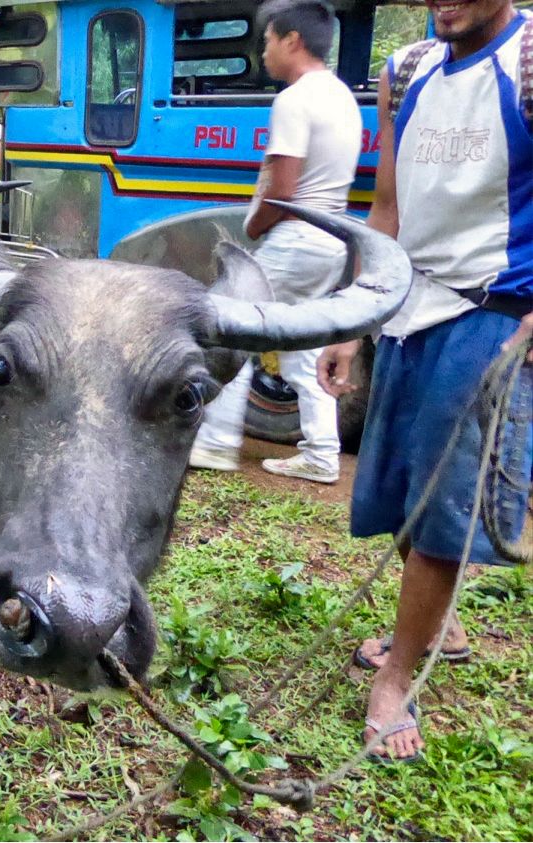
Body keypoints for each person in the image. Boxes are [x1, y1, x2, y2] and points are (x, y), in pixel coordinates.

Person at [319, 0, 532, 762]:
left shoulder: (529, 58)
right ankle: (443, 623)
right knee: (405, 486)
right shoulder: (405, 72)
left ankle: (397, 680)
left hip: (493, 310)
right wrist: (352, 321)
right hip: (410, 305)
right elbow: (387, 209)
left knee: (443, 499)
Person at [188, 0, 360, 484]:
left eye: (267, 41)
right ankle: (323, 455)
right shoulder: (341, 96)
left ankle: (217, 442)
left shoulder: (295, 99)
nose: (263, 51)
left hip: (296, 238)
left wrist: (256, 225)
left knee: (236, 328)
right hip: (332, 242)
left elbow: (283, 189)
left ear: (292, 40)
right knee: (301, 349)